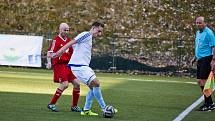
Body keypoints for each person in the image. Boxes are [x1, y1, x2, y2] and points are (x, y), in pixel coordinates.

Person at [49, 22, 117, 116]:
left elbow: (73, 46)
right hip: (78, 66)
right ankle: (104, 108)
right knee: (96, 83)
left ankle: (86, 110)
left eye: (101, 32)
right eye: (98, 31)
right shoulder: (86, 34)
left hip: (81, 66)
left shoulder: (88, 37)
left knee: (93, 87)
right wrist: (58, 54)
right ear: (93, 28)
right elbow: (71, 42)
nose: (99, 34)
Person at [47, 23, 82, 112]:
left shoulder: (69, 40)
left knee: (77, 84)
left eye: (67, 30)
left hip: (68, 65)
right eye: (64, 30)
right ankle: (51, 104)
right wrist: (48, 62)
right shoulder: (56, 40)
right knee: (65, 84)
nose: (66, 32)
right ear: (60, 29)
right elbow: (49, 52)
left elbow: (72, 53)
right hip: (59, 65)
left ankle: (74, 106)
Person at [191, 16, 215, 111]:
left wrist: (213, 60)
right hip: (200, 59)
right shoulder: (198, 32)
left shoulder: (209, 33)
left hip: (207, 58)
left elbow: (213, 47)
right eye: (197, 23)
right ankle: (209, 103)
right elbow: (199, 46)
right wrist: (195, 57)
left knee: (203, 81)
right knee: (200, 81)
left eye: (200, 22)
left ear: (204, 23)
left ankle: (208, 103)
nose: (198, 24)